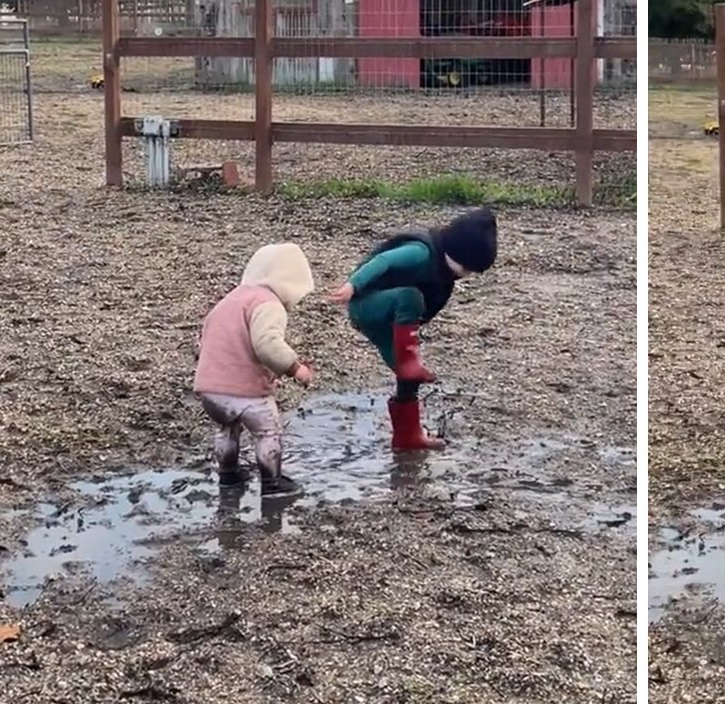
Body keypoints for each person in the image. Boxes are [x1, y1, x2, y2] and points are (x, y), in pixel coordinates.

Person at [328, 208, 497, 451]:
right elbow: (383, 261)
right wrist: (352, 286)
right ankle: (409, 363)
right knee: (411, 297)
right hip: (367, 305)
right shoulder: (421, 252)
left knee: (409, 378)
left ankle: (408, 437)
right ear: (456, 251)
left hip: (391, 321)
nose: (466, 275)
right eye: (467, 268)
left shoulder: (444, 271)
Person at [193, 242, 315, 497]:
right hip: (247, 393)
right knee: (268, 431)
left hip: (210, 390)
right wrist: (296, 369)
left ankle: (228, 476)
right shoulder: (267, 303)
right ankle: (272, 482)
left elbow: (205, 339)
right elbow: (267, 345)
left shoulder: (230, 300)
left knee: (226, 429)